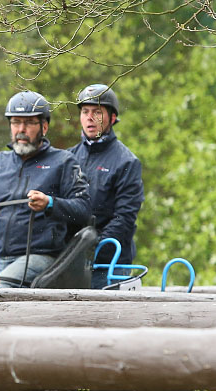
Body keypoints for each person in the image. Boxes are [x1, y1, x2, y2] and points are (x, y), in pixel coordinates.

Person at [0, 90, 90, 288]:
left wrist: (50, 203)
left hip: (39, 256)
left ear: (44, 127)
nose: (21, 129)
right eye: (16, 122)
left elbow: (84, 210)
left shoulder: (64, 162)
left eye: (28, 123)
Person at [68, 83, 144, 289]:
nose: (90, 117)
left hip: (109, 263)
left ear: (112, 117)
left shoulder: (127, 162)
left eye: (97, 112)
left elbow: (124, 218)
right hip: (70, 261)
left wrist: (93, 247)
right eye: (85, 112)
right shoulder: (68, 158)